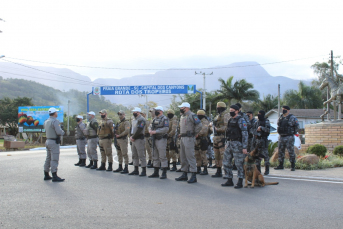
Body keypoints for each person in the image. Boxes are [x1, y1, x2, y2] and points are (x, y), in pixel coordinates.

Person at [222, 104, 248, 189]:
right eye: (230, 111)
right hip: (230, 143)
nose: (231, 112)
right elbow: (228, 132)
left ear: (237, 111)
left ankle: (240, 181)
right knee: (226, 162)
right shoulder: (230, 120)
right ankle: (229, 179)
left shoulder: (241, 120)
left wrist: (244, 147)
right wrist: (226, 143)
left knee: (239, 164)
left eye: (232, 111)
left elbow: (245, 134)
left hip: (238, 144)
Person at [175, 102, 202, 183]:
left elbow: (199, 125)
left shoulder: (192, 115)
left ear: (186, 108)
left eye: (181, 107)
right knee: (183, 156)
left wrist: (194, 133)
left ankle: (193, 175)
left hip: (189, 138)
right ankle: (184, 174)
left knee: (190, 156)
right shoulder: (182, 116)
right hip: (183, 138)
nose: (180, 109)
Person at [43, 107, 65, 182]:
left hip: (48, 140)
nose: (57, 113)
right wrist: (63, 132)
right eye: (56, 112)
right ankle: (54, 175)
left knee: (48, 158)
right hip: (53, 142)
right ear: (54, 113)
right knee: (54, 158)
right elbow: (59, 132)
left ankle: (46, 174)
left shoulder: (46, 121)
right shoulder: (55, 121)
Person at [275, 106, 299, 171]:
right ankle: (280, 165)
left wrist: (293, 132)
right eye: (283, 109)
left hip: (289, 136)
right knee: (280, 151)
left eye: (285, 110)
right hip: (281, 136)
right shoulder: (281, 117)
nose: (283, 111)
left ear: (288, 110)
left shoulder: (292, 118)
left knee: (290, 151)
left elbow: (297, 126)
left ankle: (293, 165)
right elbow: (278, 125)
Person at [148, 106, 169, 179]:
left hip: (161, 139)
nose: (155, 111)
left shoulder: (165, 119)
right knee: (155, 156)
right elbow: (150, 126)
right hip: (154, 139)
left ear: (161, 111)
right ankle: (156, 172)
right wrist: (150, 130)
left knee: (162, 156)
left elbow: (166, 128)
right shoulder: (154, 119)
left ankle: (164, 172)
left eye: (157, 110)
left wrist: (156, 131)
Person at [211, 102, 229, 178]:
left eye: (218, 107)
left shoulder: (226, 115)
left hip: (222, 137)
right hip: (216, 138)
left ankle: (227, 173)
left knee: (224, 156)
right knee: (216, 155)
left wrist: (217, 129)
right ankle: (218, 171)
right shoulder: (218, 115)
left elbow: (226, 127)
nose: (217, 108)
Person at [129, 107, 147, 176]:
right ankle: (136, 169)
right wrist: (131, 136)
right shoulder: (134, 119)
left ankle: (143, 170)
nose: (134, 113)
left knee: (141, 155)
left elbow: (139, 129)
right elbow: (132, 129)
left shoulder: (142, 119)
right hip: (134, 138)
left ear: (138, 112)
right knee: (134, 155)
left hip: (139, 139)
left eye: (135, 112)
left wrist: (133, 137)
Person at [252, 110, 271, 175]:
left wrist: (262, 128)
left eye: (260, 114)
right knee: (257, 156)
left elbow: (268, 130)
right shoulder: (256, 122)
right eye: (258, 114)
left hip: (263, 140)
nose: (259, 115)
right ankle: (258, 170)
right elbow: (253, 131)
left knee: (265, 156)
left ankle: (267, 170)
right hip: (257, 141)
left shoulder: (266, 121)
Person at [195, 109, 210, 175]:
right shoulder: (198, 121)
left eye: (199, 115)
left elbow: (204, 130)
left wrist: (198, 134)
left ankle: (205, 169)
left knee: (203, 155)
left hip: (203, 140)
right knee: (197, 155)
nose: (198, 116)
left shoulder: (205, 121)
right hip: (197, 140)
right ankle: (198, 168)